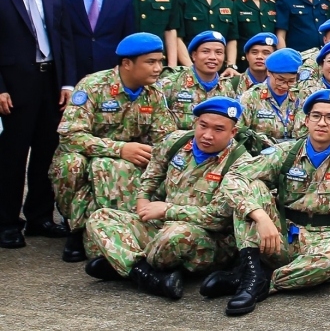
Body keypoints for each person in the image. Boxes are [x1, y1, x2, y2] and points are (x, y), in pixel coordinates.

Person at [212, 89, 330, 317]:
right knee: (253, 189)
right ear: (306, 120)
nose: (322, 123)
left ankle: (263, 282)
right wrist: (260, 216)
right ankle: (251, 271)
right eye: (316, 116)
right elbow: (234, 177)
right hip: (280, 234)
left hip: (325, 238)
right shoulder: (286, 152)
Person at [83, 96, 249, 300]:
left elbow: (218, 218)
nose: (207, 135)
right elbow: (152, 174)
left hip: (207, 239)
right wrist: (143, 197)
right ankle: (144, 273)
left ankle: (123, 263)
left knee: (175, 235)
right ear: (195, 122)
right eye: (203, 126)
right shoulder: (176, 141)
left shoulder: (240, 163)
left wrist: (167, 210)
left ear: (233, 132)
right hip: (161, 225)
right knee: (101, 218)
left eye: (218, 129)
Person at [51, 33, 175, 262]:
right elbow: (70, 136)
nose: (158, 68)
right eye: (151, 62)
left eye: (160, 61)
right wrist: (119, 149)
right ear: (127, 64)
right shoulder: (93, 86)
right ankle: (77, 229)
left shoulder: (155, 94)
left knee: (129, 168)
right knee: (72, 165)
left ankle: (120, 229)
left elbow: (164, 139)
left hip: (129, 163)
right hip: (88, 157)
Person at [0, 0, 77, 250]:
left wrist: (67, 82)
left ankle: (40, 217)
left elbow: (65, 40)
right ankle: (6, 222)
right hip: (15, 85)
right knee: (12, 156)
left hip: (50, 82)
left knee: (47, 151)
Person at [236, 48, 303, 154]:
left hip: (291, 155)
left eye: (291, 81)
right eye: (280, 80)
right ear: (268, 72)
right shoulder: (251, 97)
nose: (285, 86)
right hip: (258, 157)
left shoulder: (299, 97)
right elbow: (238, 131)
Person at [225, 32, 276, 96]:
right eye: (254, 52)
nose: (259, 57)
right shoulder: (230, 85)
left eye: (266, 53)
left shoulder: (280, 86)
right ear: (247, 56)